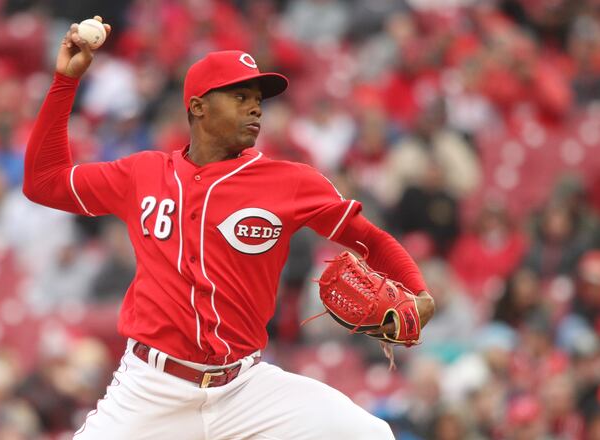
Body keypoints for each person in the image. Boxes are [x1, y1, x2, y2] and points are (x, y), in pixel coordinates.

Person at [23, 16, 436, 440]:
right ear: (198, 106)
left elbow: (369, 238)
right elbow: (44, 183)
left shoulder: (291, 182)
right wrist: (63, 83)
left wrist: (419, 293)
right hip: (152, 390)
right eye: (240, 96)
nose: (255, 107)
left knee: (371, 435)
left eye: (257, 99)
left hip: (244, 389)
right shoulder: (142, 174)